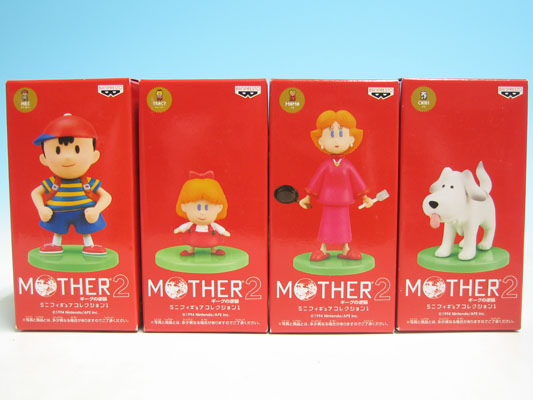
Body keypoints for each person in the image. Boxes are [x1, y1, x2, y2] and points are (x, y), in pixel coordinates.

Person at [31, 113, 112, 255]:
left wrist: (96, 210)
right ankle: (55, 245)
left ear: (94, 156)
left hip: (84, 213)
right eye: (58, 151)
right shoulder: (52, 183)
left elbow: (106, 196)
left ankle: (90, 245)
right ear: (44, 159)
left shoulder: (88, 183)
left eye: (77, 150)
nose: (67, 157)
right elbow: (35, 193)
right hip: (57, 214)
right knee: (57, 230)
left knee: (86, 230)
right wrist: (41, 209)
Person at [299, 110, 373, 261]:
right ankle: (323, 248)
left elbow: (357, 181)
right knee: (326, 224)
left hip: (343, 200)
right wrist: (307, 197)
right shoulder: (326, 165)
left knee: (344, 224)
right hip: (328, 200)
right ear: (321, 141)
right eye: (331, 134)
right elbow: (316, 181)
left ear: (352, 139)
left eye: (341, 134)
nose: (336, 140)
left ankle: (345, 248)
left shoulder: (348, 165)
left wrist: (365, 197)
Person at [174, 171, 230, 256]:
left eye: (206, 208)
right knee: (191, 242)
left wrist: (224, 232)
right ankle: (191, 250)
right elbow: (184, 227)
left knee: (213, 242)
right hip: (193, 238)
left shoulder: (212, 225)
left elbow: (218, 228)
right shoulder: (191, 225)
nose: (202, 213)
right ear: (184, 207)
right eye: (198, 208)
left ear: (219, 208)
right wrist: (179, 229)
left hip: (210, 238)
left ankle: (213, 250)